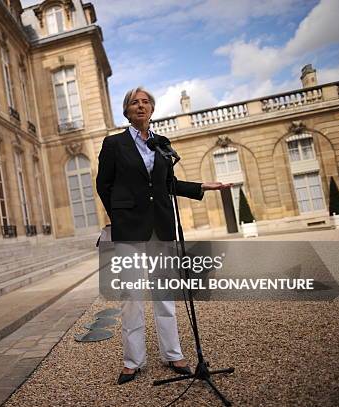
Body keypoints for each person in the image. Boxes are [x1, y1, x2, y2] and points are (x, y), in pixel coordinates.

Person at [96, 86, 232, 385]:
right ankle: (133, 361)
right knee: (131, 295)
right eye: (135, 102)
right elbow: (103, 184)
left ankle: (173, 354)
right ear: (126, 110)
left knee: (164, 294)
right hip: (129, 229)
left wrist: (201, 187)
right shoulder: (114, 144)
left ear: (152, 109)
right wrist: (118, 216)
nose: (141, 106)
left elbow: (167, 183)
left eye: (146, 102)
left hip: (162, 226)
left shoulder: (162, 144)